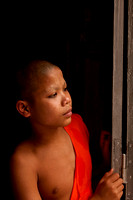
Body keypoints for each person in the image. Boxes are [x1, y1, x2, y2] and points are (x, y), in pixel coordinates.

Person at [10, 60, 124, 200]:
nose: (67, 99)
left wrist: (108, 166)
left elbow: (84, 182)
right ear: (25, 108)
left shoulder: (77, 125)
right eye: (53, 94)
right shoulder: (24, 162)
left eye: (65, 89)